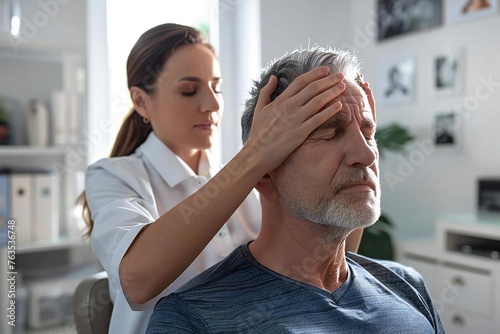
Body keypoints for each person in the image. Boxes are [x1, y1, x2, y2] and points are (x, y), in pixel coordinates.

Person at [80, 23, 356, 333]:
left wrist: (356, 139)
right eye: (189, 90)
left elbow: (333, 255)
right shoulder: (114, 176)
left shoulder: (250, 179)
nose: (212, 104)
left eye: (217, 87)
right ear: (142, 101)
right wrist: (256, 155)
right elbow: (136, 279)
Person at [146, 47, 445, 333]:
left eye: (368, 133)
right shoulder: (193, 319)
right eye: (328, 133)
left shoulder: (406, 285)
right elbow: (136, 276)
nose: (366, 155)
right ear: (264, 173)